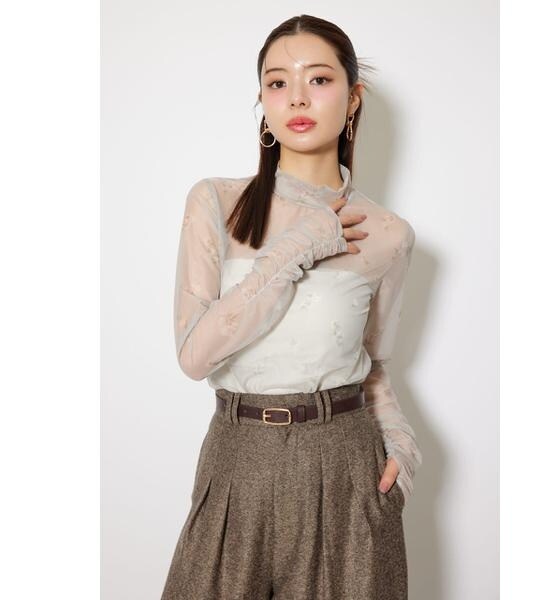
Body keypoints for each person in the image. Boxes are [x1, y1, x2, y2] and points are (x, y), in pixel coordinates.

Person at [161, 13, 422, 600]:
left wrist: (399, 444)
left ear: (353, 98)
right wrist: (297, 248)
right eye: (277, 82)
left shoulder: (389, 234)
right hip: (238, 455)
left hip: (347, 462)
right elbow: (195, 356)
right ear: (263, 101)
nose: (297, 98)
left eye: (319, 79)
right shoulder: (216, 202)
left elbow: (373, 365)